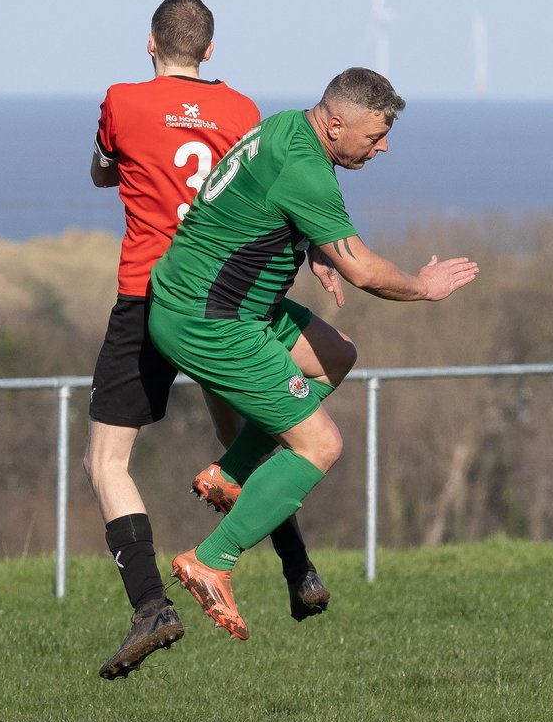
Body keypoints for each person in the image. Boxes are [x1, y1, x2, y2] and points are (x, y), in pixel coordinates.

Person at [150, 66, 478, 637]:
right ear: (334, 123)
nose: (383, 148)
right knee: (321, 445)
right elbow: (365, 270)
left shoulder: (284, 130)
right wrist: (425, 287)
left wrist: (309, 247)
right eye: (374, 137)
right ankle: (211, 561)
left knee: (336, 354)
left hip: (232, 305)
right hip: (211, 320)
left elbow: (256, 207)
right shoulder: (307, 170)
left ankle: (231, 473)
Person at [88, 0, 347, 680]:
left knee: (108, 462)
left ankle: (150, 605)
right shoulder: (243, 113)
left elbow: (102, 168)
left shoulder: (122, 100)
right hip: (228, 296)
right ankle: (298, 568)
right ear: (211, 51)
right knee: (260, 438)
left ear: (151, 43)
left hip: (151, 295)